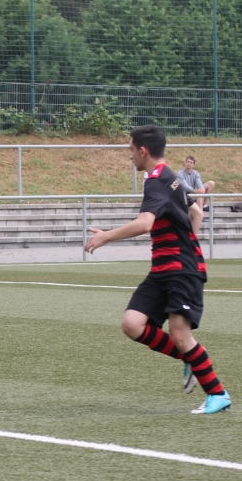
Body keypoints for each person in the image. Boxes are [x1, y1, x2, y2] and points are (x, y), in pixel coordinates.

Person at [84, 125, 231, 415]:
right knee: (132, 323)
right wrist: (186, 242)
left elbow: (145, 223)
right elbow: (196, 212)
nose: (130, 156)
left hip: (181, 270)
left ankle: (218, 394)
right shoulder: (172, 177)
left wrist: (105, 236)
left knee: (179, 333)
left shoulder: (156, 181)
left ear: (143, 150)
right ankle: (190, 357)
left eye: (131, 150)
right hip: (164, 268)